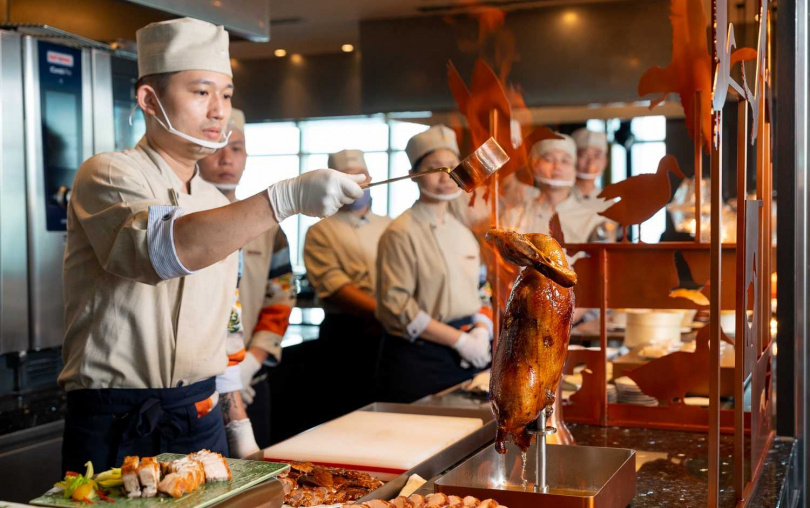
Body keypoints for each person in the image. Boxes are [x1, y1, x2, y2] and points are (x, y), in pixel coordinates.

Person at [59, 18, 364, 472]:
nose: (219, 111)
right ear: (149, 99)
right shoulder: (107, 174)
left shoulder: (212, 201)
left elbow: (228, 324)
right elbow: (160, 252)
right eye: (201, 92)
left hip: (201, 417)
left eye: (226, 94)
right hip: (118, 418)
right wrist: (285, 198)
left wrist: (238, 426)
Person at [198, 109, 295, 453]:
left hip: (254, 381)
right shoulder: (186, 222)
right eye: (218, 147)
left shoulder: (267, 228)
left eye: (236, 148)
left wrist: (251, 363)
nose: (227, 158)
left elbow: (282, 299)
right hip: (199, 386)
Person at [375, 126, 492, 403]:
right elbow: (397, 307)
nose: (446, 177)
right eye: (434, 168)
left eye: (452, 167)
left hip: (468, 353)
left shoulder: (462, 231)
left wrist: (481, 329)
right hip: (419, 359)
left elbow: (481, 286)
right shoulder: (400, 231)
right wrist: (459, 341)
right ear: (413, 175)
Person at [302, 150, 391, 418]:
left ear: (371, 179)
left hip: (390, 332)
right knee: (343, 411)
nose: (355, 183)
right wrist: (388, 314)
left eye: (360, 177)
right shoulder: (320, 230)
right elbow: (336, 287)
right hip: (345, 335)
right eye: (345, 178)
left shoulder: (390, 224)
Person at [521, 133, 610, 243]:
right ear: (534, 165)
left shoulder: (592, 221)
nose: (557, 166)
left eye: (565, 161)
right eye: (549, 159)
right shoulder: (515, 215)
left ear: (574, 169)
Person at [571, 128, 609, 202]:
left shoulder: (609, 204)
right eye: (584, 155)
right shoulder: (559, 197)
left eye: (597, 156)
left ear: (605, 161)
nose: (591, 162)